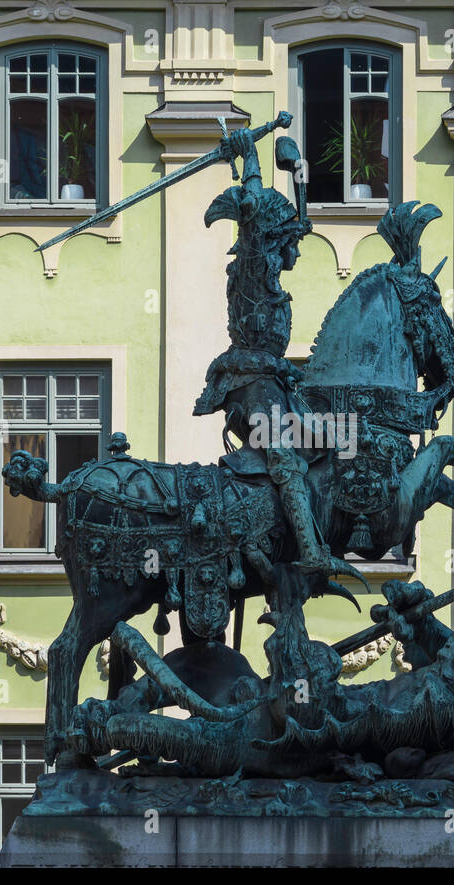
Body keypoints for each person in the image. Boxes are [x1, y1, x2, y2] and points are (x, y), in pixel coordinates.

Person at [195, 127, 347, 577]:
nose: (298, 251)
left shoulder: (273, 284)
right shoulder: (253, 271)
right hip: (248, 389)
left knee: (342, 438)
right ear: (274, 241)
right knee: (282, 454)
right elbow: (255, 216)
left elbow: (284, 224)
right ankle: (310, 552)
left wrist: (299, 190)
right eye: (293, 243)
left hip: (275, 386)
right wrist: (252, 161)